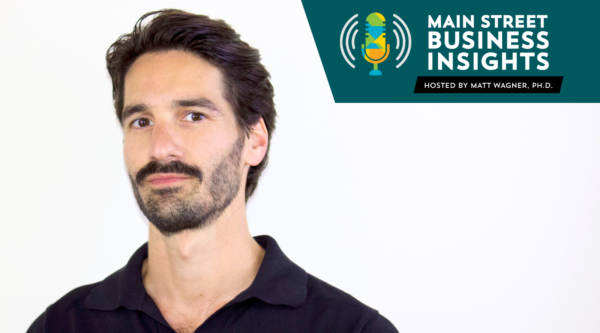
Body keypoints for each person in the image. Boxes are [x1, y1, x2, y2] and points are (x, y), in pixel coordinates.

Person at [27, 9, 398, 333]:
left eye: (193, 116)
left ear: (254, 141)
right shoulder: (62, 325)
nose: (160, 147)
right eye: (141, 121)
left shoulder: (349, 328)